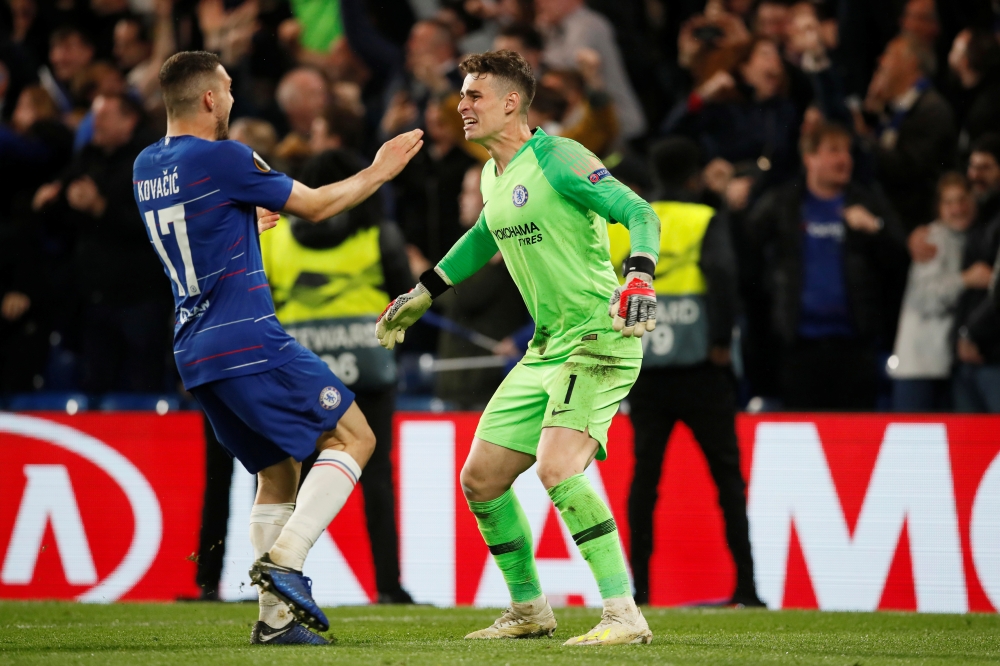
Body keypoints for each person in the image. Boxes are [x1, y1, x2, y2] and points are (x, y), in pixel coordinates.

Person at [133, 51, 422, 645]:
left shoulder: (145, 166)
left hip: (193, 348)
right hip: (246, 335)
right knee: (355, 437)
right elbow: (315, 206)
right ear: (210, 99)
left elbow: (202, 223)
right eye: (229, 89)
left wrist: (241, 222)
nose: (235, 98)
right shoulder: (224, 157)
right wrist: (378, 171)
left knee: (277, 470)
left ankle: (275, 623)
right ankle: (286, 558)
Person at [376, 50, 660, 646]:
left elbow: (637, 211)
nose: (462, 105)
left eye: (474, 95)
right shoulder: (493, 175)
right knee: (480, 480)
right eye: (461, 95)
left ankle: (623, 613)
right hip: (547, 348)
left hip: (597, 338)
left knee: (558, 468)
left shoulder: (559, 157)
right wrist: (426, 291)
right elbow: (484, 234)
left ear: (511, 102)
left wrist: (638, 274)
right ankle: (529, 609)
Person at [611, 136, 763, 608]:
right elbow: (723, 277)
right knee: (727, 479)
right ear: (695, 176)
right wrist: (720, 342)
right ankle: (747, 588)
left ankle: (638, 591)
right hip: (701, 371)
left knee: (644, 482)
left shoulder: (629, 226)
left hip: (647, 372)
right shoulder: (703, 219)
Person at [260, 149, 416, 604]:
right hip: (370, 373)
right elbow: (405, 298)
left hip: (301, 376)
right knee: (377, 478)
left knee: (295, 480)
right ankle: (388, 586)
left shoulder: (276, 239)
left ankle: (282, 580)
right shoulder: (378, 235)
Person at [745, 122, 908, 410]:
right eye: (833, 150)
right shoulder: (784, 204)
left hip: (855, 347)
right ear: (809, 158)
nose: (844, 159)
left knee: (857, 443)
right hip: (799, 348)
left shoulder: (867, 201)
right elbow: (748, 251)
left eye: (847, 151)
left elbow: (900, 257)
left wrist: (876, 228)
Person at [889, 173, 975, 412]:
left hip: (946, 364)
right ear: (939, 207)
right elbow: (925, 299)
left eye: (962, 200)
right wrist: (965, 280)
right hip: (919, 366)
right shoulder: (931, 239)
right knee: (913, 445)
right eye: (949, 202)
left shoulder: (970, 238)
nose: (957, 208)